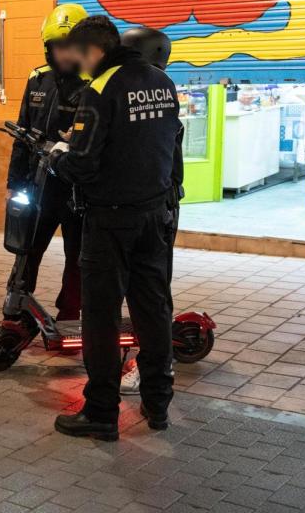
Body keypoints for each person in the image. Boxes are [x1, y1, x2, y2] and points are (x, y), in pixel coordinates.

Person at [50, 16, 179, 440]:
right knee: (153, 310)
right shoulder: (162, 82)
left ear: (94, 52)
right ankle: (158, 404)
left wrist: (57, 156)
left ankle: (102, 412)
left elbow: (83, 166)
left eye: (79, 56)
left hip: (110, 220)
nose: (78, 65)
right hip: (155, 216)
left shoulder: (100, 88)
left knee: (101, 316)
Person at [6, 3, 89, 322]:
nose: (63, 54)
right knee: (27, 246)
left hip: (77, 189)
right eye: (57, 46)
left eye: (69, 46)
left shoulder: (94, 84)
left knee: (78, 255)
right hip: (39, 186)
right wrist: (14, 185)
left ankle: (70, 311)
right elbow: (21, 134)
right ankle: (17, 303)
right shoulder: (38, 79)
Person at [116, 27, 181, 397]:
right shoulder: (157, 86)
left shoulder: (152, 88)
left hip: (154, 207)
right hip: (158, 205)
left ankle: (151, 365)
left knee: (152, 294)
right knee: (150, 292)